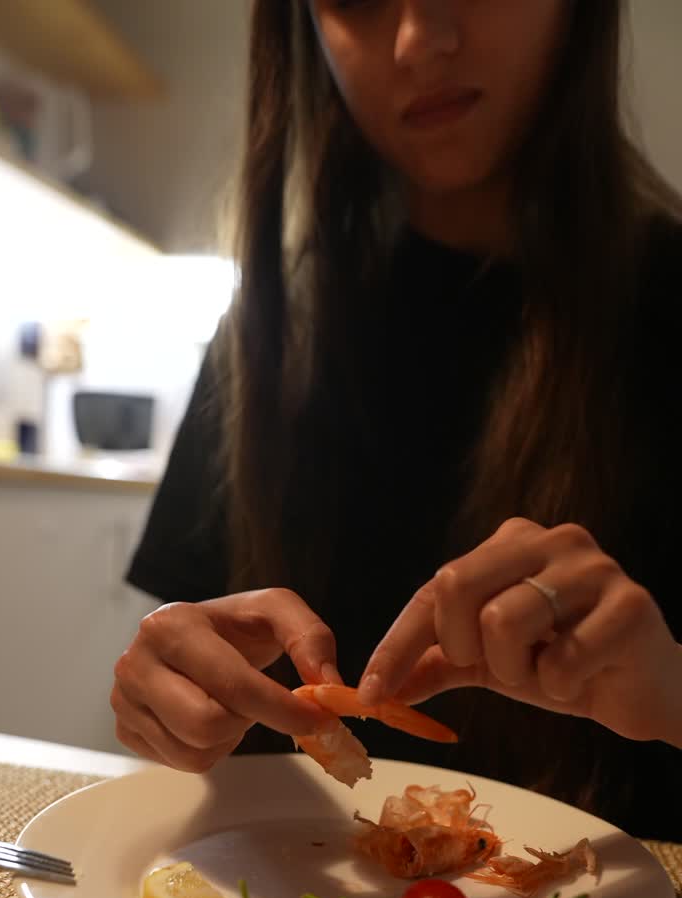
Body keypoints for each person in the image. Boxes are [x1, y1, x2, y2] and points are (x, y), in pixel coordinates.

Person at [114, 0, 682, 840]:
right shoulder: (270, 329)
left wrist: (674, 696)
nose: (420, 39)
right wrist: (160, 710)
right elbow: (182, 751)